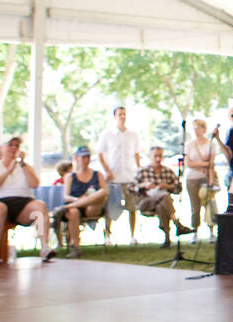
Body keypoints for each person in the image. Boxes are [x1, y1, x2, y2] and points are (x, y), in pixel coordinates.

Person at [0, 136, 55, 264]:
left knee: (40, 206)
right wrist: (8, 171)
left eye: (16, 145)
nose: (14, 148)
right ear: (1, 148)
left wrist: (23, 164)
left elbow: (34, 184)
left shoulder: (24, 166)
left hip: (22, 205)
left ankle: (45, 247)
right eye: (10, 145)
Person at [98, 107, 143, 242]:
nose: (122, 116)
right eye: (119, 114)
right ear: (114, 117)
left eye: (124, 114)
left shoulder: (133, 135)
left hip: (130, 175)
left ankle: (133, 236)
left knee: (132, 207)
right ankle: (107, 236)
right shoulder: (108, 135)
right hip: (114, 177)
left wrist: (139, 170)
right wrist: (107, 170)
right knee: (111, 206)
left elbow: (136, 154)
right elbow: (100, 154)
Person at [132, 146, 191, 247]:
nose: (158, 159)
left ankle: (167, 238)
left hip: (162, 203)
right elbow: (131, 188)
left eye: (160, 156)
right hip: (146, 202)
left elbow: (178, 188)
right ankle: (177, 224)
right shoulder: (142, 171)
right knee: (165, 197)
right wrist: (143, 185)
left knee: (162, 203)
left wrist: (168, 186)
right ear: (149, 156)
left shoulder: (168, 171)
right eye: (155, 156)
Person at [54, 146, 108, 257]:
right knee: (73, 212)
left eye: (87, 157)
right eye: (82, 157)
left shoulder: (98, 174)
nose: (85, 160)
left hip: (93, 208)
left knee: (102, 192)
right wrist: (78, 200)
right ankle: (76, 248)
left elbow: (105, 193)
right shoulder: (70, 176)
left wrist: (89, 198)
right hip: (76, 207)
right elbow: (66, 196)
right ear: (76, 159)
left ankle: (66, 208)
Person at [183, 119, 226, 239]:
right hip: (192, 179)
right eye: (194, 128)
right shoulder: (189, 145)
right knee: (195, 205)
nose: (196, 130)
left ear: (204, 128)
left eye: (198, 127)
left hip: (206, 178)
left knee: (209, 203)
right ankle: (195, 231)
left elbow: (211, 164)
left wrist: (211, 178)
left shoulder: (210, 144)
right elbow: (189, 163)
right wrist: (204, 164)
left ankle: (211, 231)